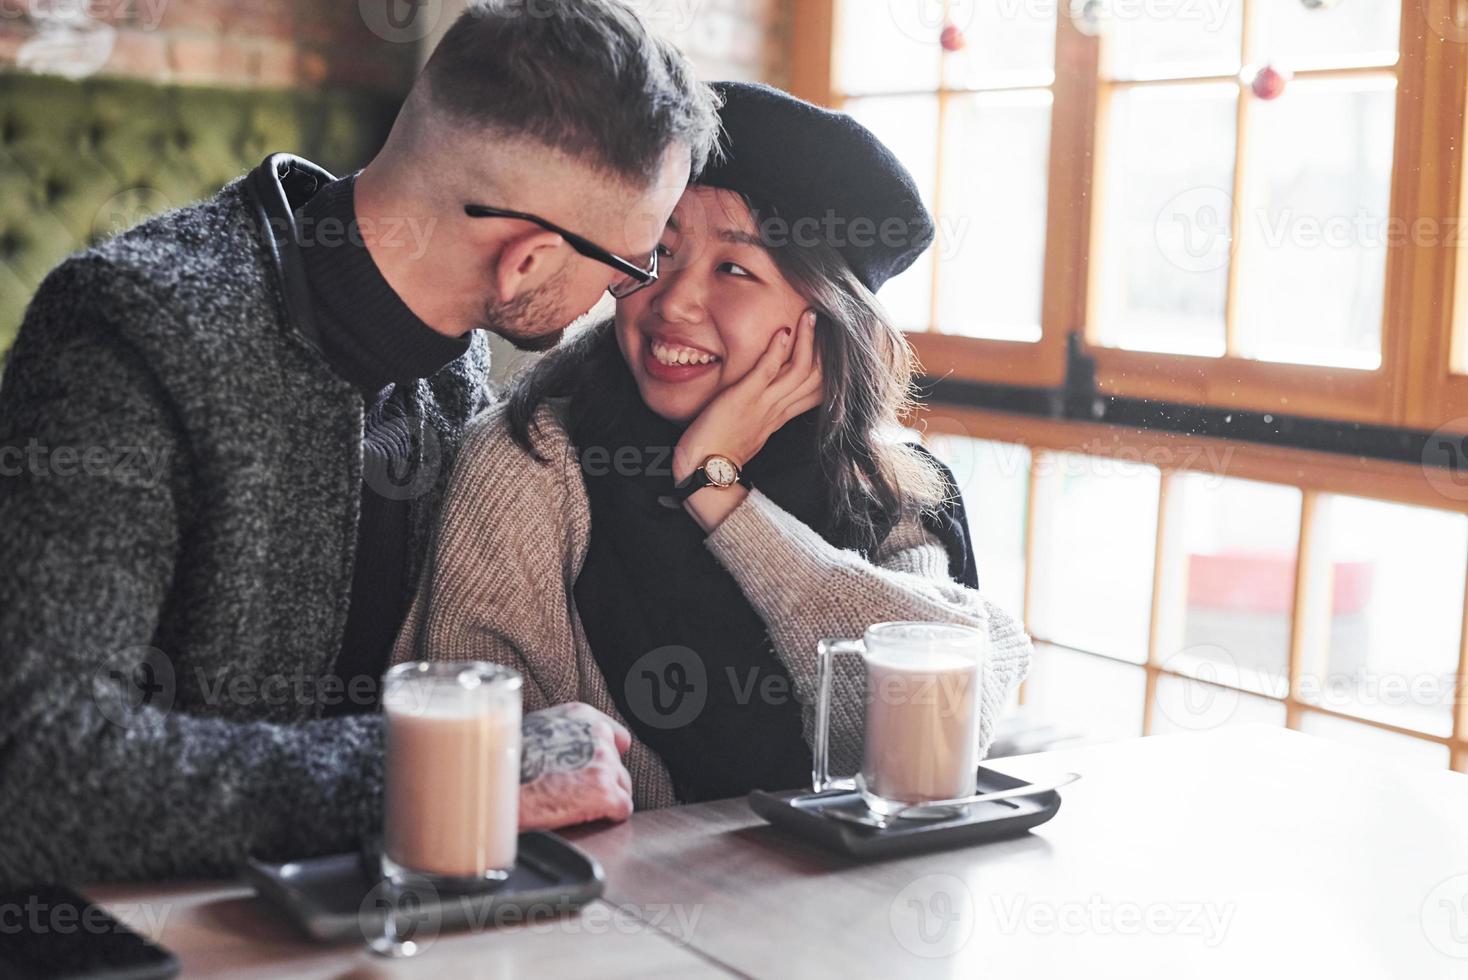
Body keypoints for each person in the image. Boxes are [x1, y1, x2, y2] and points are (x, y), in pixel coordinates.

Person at [0, 0, 720, 887]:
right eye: (632, 263)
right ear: (526, 259)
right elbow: (34, 767)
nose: (624, 296)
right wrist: (444, 768)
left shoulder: (450, 376)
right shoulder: (133, 331)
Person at [394, 82, 1032, 806]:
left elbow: (931, 734)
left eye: (734, 269)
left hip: (839, 908)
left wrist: (722, 494)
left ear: (823, 316)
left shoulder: (894, 484)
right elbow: (472, 771)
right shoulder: (534, 459)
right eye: (656, 253)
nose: (673, 301)